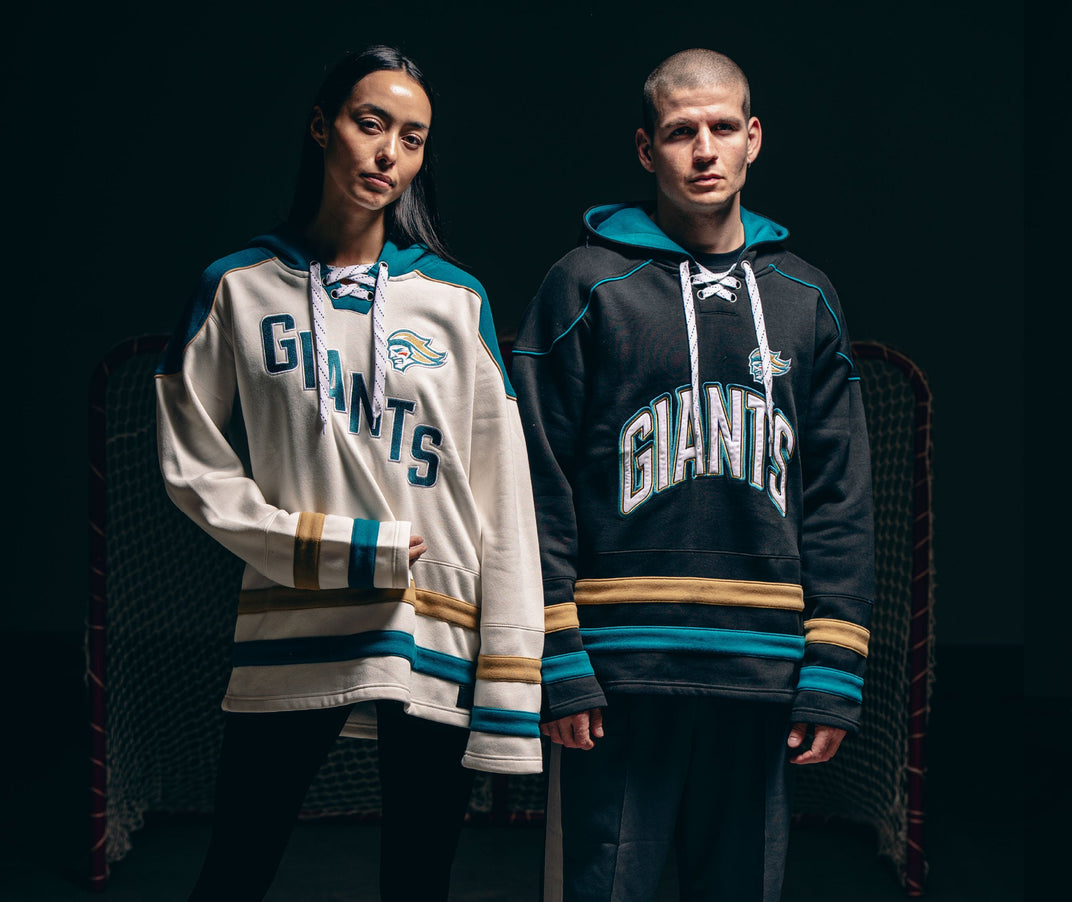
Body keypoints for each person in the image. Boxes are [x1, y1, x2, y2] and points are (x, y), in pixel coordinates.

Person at [155, 45, 545, 902]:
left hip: (436, 628)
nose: (388, 154)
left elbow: (505, 496)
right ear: (320, 126)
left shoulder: (456, 300)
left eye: (412, 138)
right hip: (295, 624)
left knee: (418, 882)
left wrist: (513, 672)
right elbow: (191, 468)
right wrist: (336, 547)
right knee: (235, 869)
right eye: (371, 124)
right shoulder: (237, 288)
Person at [509, 48, 875, 902]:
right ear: (647, 149)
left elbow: (838, 495)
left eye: (722, 128)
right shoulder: (583, 285)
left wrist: (833, 664)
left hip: (762, 670)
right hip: (617, 674)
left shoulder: (806, 297)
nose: (704, 150)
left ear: (754, 138)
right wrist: (556, 654)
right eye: (680, 132)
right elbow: (534, 483)